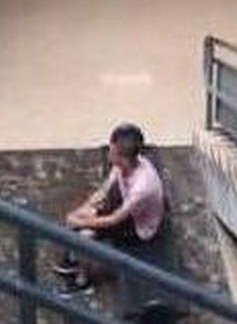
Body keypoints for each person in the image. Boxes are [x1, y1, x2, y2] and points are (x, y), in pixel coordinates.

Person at [53, 122, 167, 294]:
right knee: (80, 219)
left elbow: (115, 219)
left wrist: (82, 222)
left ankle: (83, 281)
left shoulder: (143, 186)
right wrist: (81, 211)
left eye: (112, 151)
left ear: (123, 157)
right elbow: (104, 190)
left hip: (138, 228)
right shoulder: (124, 164)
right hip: (123, 206)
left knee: (85, 235)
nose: (109, 153)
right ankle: (73, 258)